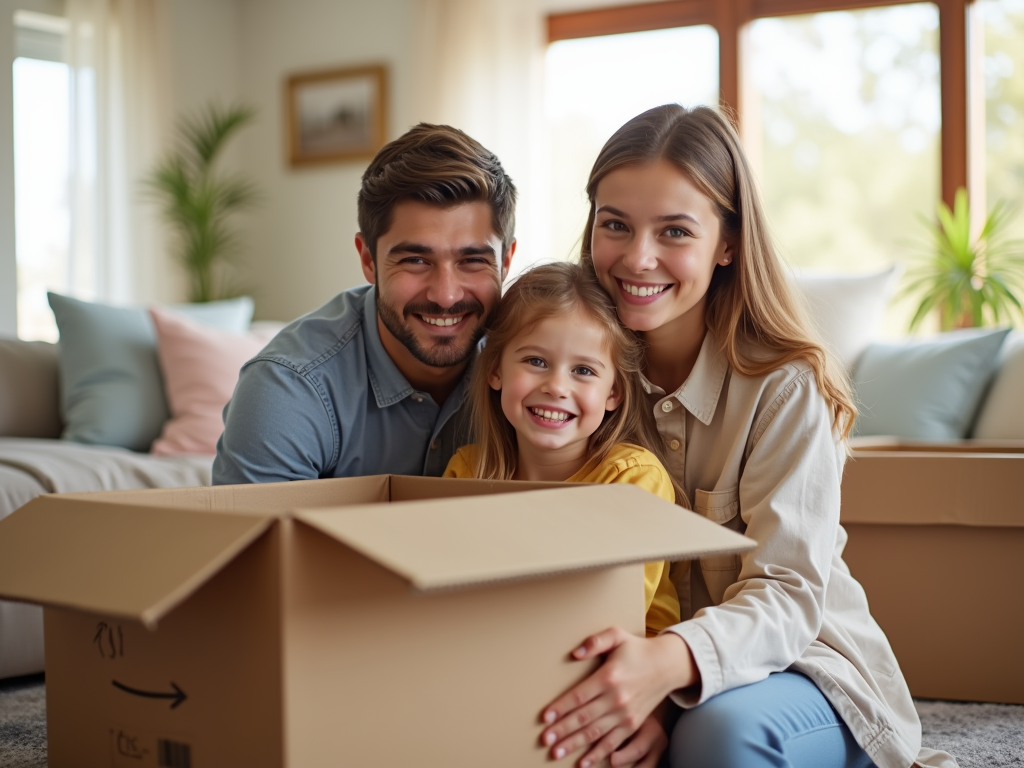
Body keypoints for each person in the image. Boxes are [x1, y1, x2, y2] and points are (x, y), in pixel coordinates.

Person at [536, 105, 958, 768]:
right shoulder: (571, 384)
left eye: (674, 231)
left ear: (727, 243)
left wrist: (666, 675)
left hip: (801, 671)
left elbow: (788, 593)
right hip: (638, 667)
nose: (638, 257)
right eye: (615, 225)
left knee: (715, 737)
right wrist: (635, 690)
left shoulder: (784, 387)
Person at [213, 123, 516, 484]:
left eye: (472, 261)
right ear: (368, 259)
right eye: (415, 261)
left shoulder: (545, 370)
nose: (446, 295)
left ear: (506, 262)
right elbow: (264, 540)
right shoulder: (286, 391)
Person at [443, 261, 682, 639]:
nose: (556, 386)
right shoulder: (467, 473)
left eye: (584, 371)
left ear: (613, 393)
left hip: (619, 670)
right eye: (536, 361)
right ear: (496, 372)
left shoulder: (633, 481)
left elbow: (609, 612)